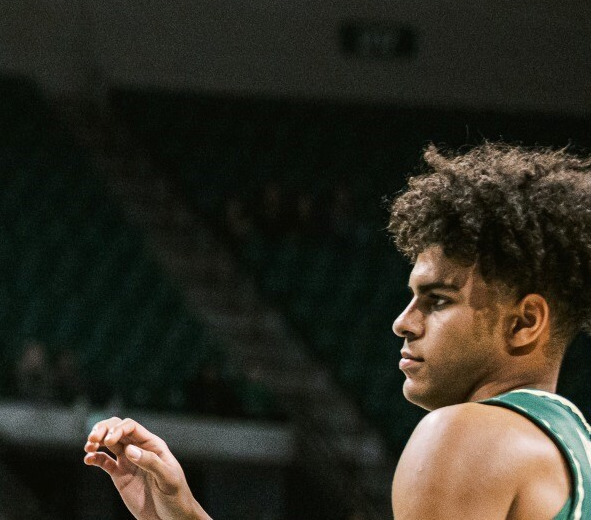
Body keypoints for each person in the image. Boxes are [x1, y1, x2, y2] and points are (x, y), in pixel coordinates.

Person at [86, 143, 591, 520]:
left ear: (525, 323)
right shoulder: (575, 445)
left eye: (437, 301)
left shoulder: (465, 435)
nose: (404, 321)